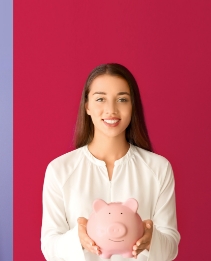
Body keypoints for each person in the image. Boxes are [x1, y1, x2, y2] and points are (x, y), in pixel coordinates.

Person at [40, 63, 179, 261]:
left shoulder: (158, 168)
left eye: (122, 99)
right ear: (87, 106)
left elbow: (171, 245)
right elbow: (49, 246)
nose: (111, 110)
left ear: (133, 106)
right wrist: (78, 238)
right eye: (100, 99)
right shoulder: (60, 169)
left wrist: (151, 239)